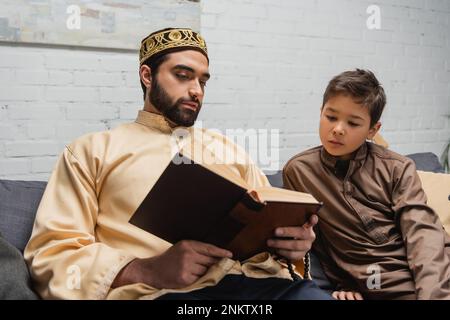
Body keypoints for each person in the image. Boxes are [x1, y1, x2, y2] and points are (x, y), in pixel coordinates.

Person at [24, 27, 331, 300]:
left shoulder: (229, 150)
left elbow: (265, 222)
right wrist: (146, 270)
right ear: (147, 76)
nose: (196, 90)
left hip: (264, 289)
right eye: (183, 76)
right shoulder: (92, 150)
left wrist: (291, 247)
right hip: (167, 294)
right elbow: (51, 256)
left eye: (203, 81)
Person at [283, 69, 450, 300]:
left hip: (434, 279)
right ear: (321, 112)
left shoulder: (397, 168)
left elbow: (423, 236)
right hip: (375, 285)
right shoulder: (299, 171)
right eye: (331, 117)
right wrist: (343, 284)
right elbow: (316, 242)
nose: (338, 129)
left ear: (373, 130)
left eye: (353, 123)